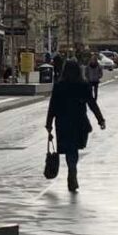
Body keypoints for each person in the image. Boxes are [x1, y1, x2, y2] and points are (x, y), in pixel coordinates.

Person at [45, 60, 106, 193]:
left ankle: (71, 168)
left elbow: (53, 106)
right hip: (79, 122)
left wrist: (49, 124)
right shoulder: (83, 85)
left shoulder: (59, 86)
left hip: (63, 122)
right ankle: (73, 169)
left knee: (68, 148)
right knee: (74, 149)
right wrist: (100, 120)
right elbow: (91, 103)